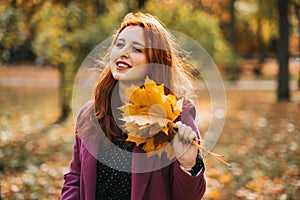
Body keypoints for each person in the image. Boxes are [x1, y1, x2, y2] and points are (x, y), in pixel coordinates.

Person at [61, 12, 206, 200]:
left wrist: (188, 164)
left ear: (155, 61)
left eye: (137, 49)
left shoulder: (177, 115)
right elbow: (75, 177)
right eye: (119, 45)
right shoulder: (90, 114)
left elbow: (188, 197)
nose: (123, 52)